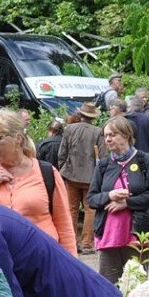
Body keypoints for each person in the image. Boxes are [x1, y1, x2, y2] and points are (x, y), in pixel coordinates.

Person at [0, 108, 76, 253]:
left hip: (42, 262)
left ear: (18, 139)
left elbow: (64, 226)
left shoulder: (47, 173)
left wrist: (71, 267)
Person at [87, 115, 149, 284]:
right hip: (109, 236)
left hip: (138, 235)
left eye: (113, 134)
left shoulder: (144, 160)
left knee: (136, 289)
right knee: (108, 288)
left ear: (126, 135)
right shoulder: (103, 165)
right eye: (106, 135)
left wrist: (127, 203)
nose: (108, 139)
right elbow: (92, 199)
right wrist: (109, 195)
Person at [57, 104, 103, 249]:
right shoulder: (98, 132)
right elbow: (103, 155)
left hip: (71, 175)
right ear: (93, 117)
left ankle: (71, 243)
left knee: (71, 208)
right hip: (91, 177)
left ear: (80, 114)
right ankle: (87, 244)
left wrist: (63, 169)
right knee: (90, 210)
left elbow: (62, 153)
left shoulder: (70, 129)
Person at [127, 88, 149, 155]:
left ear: (130, 106)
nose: (144, 99)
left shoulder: (125, 120)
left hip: (131, 155)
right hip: (148, 154)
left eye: (146, 97)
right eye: (143, 97)